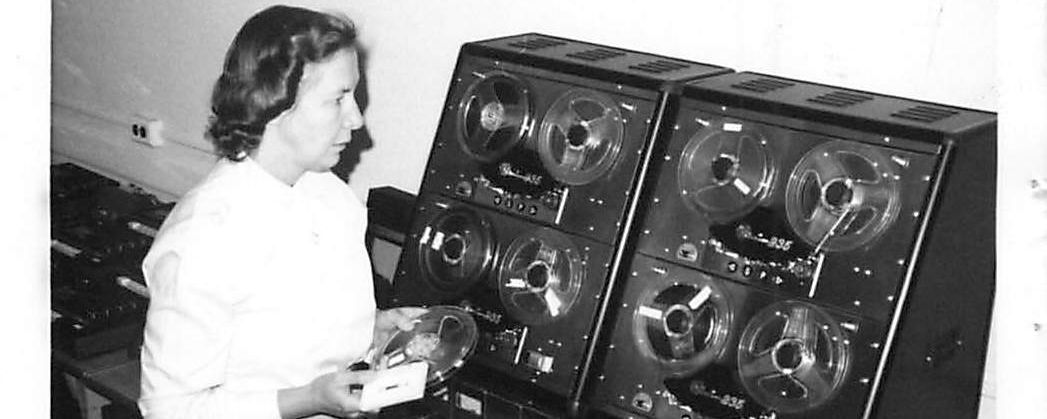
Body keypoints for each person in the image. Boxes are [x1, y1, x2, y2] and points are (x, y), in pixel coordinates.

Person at [138, 5, 425, 418]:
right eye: (338, 99)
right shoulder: (205, 237)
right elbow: (168, 410)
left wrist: (372, 330)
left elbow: (293, 330)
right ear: (274, 104)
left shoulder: (330, 195)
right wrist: (308, 400)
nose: (357, 119)